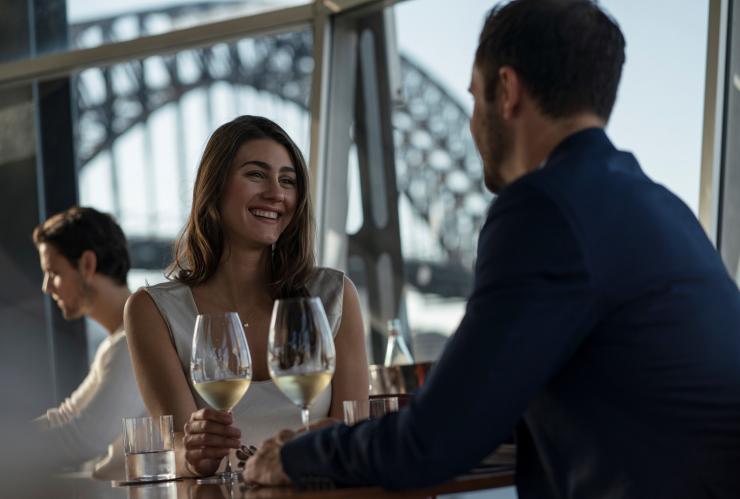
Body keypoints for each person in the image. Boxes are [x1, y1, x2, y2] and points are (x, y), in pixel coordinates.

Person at [244, 1, 740, 497]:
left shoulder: (544, 208)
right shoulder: (662, 208)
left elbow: (432, 442)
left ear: (506, 90)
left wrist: (295, 454)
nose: (472, 123)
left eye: (475, 99)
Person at [124, 115, 369, 478]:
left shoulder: (333, 297)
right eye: (256, 175)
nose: (276, 193)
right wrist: (192, 453)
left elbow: (352, 435)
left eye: (288, 181)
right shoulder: (152, 311)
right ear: (215, 186)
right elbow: (174, 445)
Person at [32, 206, 147, 480]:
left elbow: (83, 439)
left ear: (87, 264)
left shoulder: (136, 339)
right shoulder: (119, 340)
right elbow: (65, 416)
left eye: (53, 271)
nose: (46, 286)